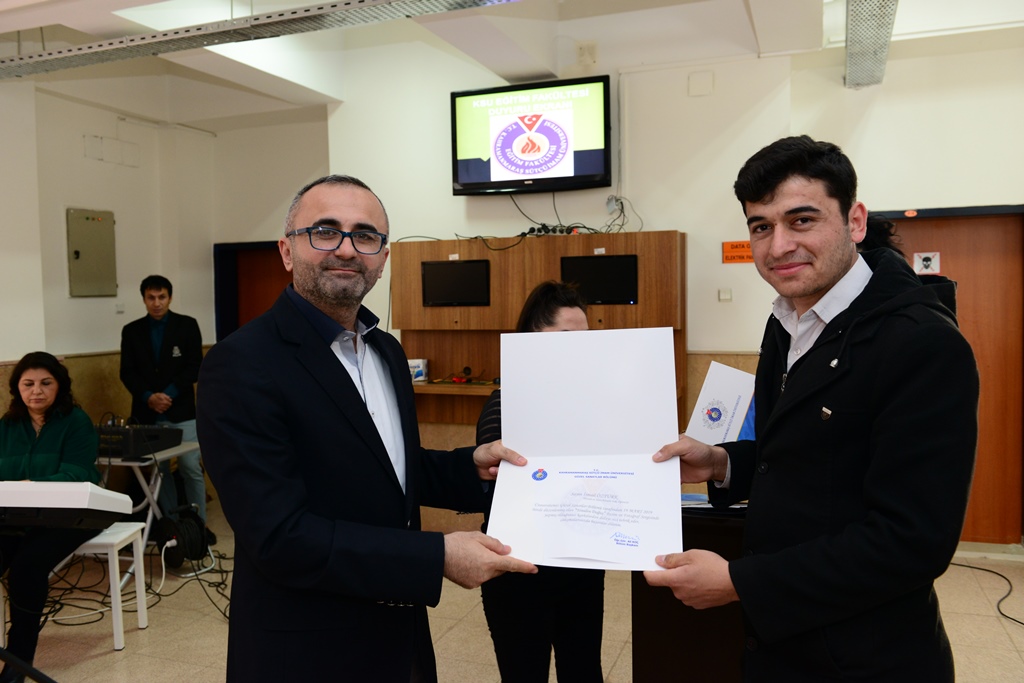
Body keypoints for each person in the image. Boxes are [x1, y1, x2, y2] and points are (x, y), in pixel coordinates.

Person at [644, 136, 979, 682]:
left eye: (802, 220)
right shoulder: (788, 320)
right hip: (781, 647)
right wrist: (722, 463)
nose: (779, 246)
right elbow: (808, 455)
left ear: (855, 221)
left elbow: (913, 540)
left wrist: (741, 583)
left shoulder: (922, 342)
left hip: (866, 658)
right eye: (761, 226)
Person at [196, 174, 537, 682]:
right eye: (325, 231)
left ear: (383, 256)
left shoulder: (385, 350)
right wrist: (437, 556)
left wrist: (470, 466)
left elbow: (388, 468)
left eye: (365, 235)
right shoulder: (241, 364)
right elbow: (279, 536)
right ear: (287, 251)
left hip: (398, 637)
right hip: (307, 650)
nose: (346, 249)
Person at [475, 281, 603, 683]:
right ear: (532, 340)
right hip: (519, 569)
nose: (578, 351)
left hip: (581, 564)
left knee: (584, 672)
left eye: (585, 340)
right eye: (565, 338)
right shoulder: (504, 404)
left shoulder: (594, 406)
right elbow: (502, 484)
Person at [0, 352, 101, 683]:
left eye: (46, 383)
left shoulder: (76, 421)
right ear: (17, 388)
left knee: (27, 567)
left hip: (72, 514)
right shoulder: (7, 426)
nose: (36, 391)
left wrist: (29, 485)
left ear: (60, 386)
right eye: (28, 384)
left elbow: (77, 474)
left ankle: (18, 662)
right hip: (17, 515)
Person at [119, 275, 212, 544]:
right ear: (144, 299)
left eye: (161, 297)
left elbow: (194, 366)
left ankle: (198, 527)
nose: (157, 303)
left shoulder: (187, 325)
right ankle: (174, 528)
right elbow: (127, 372)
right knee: (159, 472)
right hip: (147, 412)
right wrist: (149, 397)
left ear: (170, 298)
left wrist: (168, 394)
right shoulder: (132, 330)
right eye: (151, 297)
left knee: (190, 466)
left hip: (180, 410)